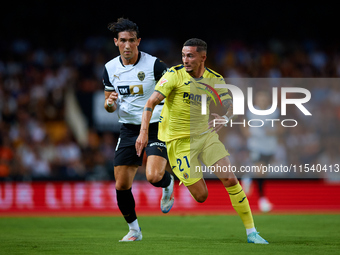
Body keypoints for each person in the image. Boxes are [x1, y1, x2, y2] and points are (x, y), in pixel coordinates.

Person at [136, 38, 268, 244]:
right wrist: (144, 132)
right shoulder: (174, 75)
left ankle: (252, 232)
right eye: (183, 55)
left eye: (190, 56)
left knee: (231, 179)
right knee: (201, 196)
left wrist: (226, 117)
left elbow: (231, 105)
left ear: (203, 57)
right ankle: (169, 182)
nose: (185, 60)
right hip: (178, 143)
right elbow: (151, 102)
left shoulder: (215, 79)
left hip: (205, 136)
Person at [102, 18, 175, 242]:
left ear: (138, 41)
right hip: (128, 129)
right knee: (121, 185)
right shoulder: (109, 68)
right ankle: (134, 230)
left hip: (156, 125)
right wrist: (110, 103)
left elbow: (174, 89)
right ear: (116, 42)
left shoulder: (154, 65)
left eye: (131, 41)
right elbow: (108, 105)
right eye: (122, 40)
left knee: (153, 176)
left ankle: (167, 182)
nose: (127, 45)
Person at [241, 90, 283, 212]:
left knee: (262, 172)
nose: (262, 101)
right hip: (256, 146)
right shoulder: (250, 112)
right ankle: (262, 200)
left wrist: (270, 131)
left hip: (270, 147)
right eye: (260, 99)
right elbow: (244, 125)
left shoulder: (275, 112)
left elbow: (281, 128)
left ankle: (248, 177)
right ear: (256, 100)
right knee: (261, 171)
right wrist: (247, 133)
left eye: (264, 98)